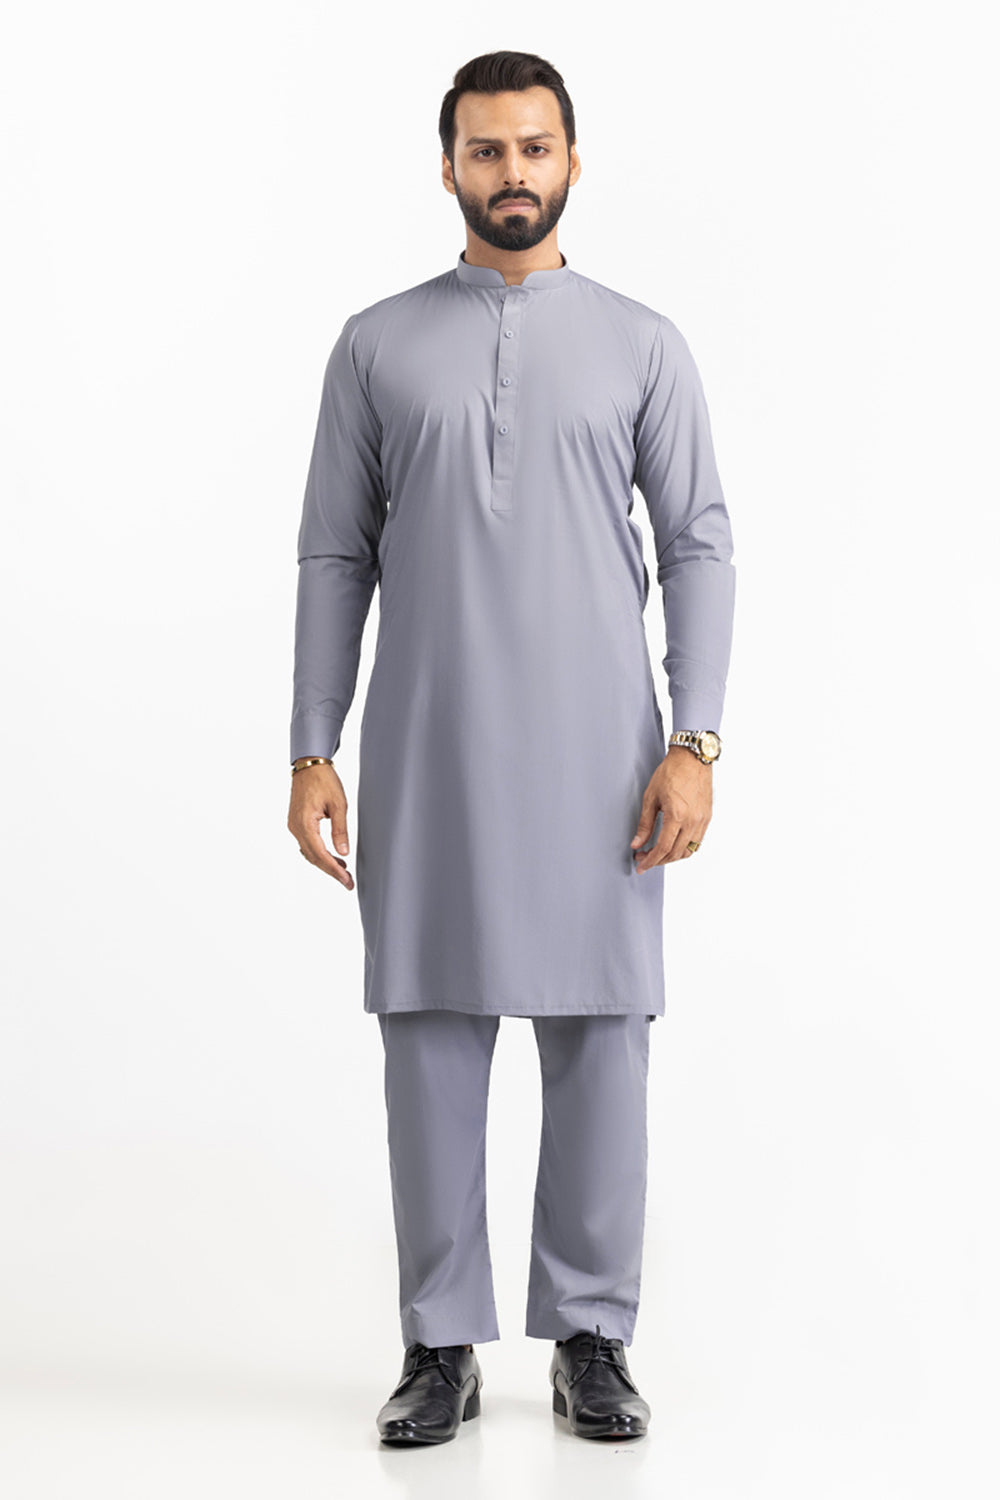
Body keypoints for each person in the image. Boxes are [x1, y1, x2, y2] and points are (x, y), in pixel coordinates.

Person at [286, 49, 736, 1446]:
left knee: (602, 1036)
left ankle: (593, 1336)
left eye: (535, 147)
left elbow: (699, 543)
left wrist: (696, 738)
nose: (513, 172)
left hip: (605, 756)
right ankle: (439, 1344)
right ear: (448, 169)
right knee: (428, 1037)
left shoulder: (645, 344)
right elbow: (333, 552)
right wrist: (311, 746)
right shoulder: (376, 345)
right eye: (486, 150)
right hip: (430, 747)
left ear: (574, 161)